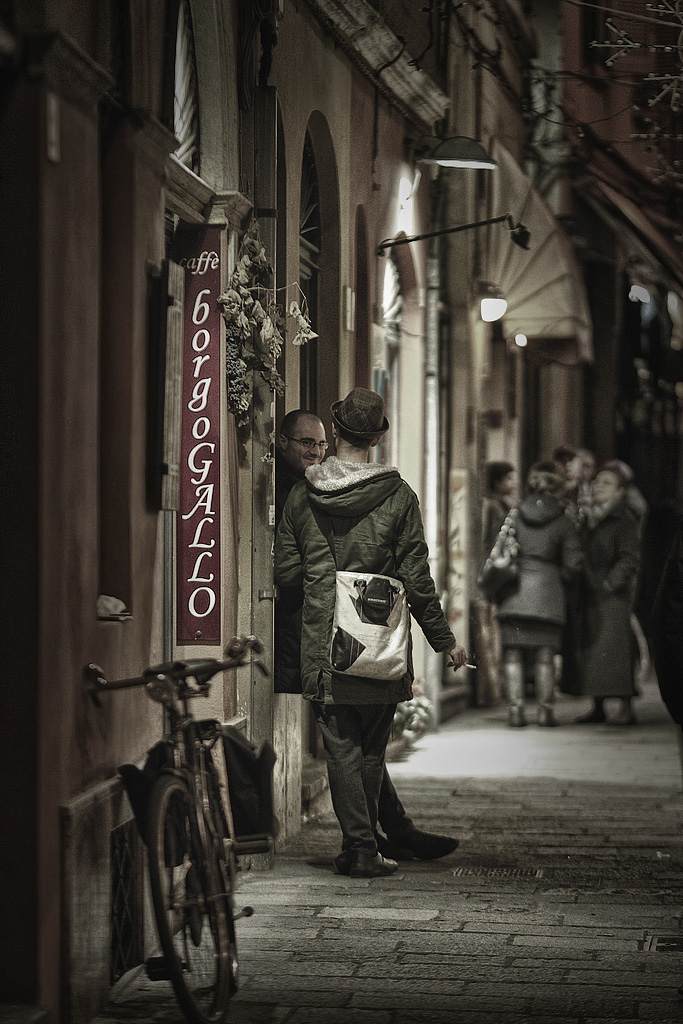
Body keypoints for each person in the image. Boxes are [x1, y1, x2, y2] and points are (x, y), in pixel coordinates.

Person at [274, 389, 467, 877]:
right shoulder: (399, 497)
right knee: (371, 749)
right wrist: (444, 641)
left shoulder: (301, 495)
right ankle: (370, 844)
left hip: (324, 640)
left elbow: (287, 574)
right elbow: (417, 579)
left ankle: (359, 848)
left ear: (336, 431)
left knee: (340, 747)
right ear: (378, 438)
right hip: (379, 640)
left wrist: (326, 577)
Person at [495, 460, 583, 727]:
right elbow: (574, 562)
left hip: (514, 592)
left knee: (512, 652)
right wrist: (557, 576)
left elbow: (499, 548)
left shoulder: (514, 513)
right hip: (548, 595)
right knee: (546, 654)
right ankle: (545, 712)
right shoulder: (564, 520)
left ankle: (515, 711)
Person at [574, 464, 641, 725]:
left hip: (612, 595)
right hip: (590, 590)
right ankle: (598, 706)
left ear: (621, 491)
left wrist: (610, 583)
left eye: (607, 483)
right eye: (597, 482)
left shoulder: (624, 520)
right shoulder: (589, 518)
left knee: (617, 651)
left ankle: (626, 706)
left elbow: (630, 558)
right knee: (594, 652)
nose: (599, 486)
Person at [482, 461, 516, 550]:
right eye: (509, 478)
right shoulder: (492, 505)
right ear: (497, 482)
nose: (514, 483)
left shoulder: (503, 503)